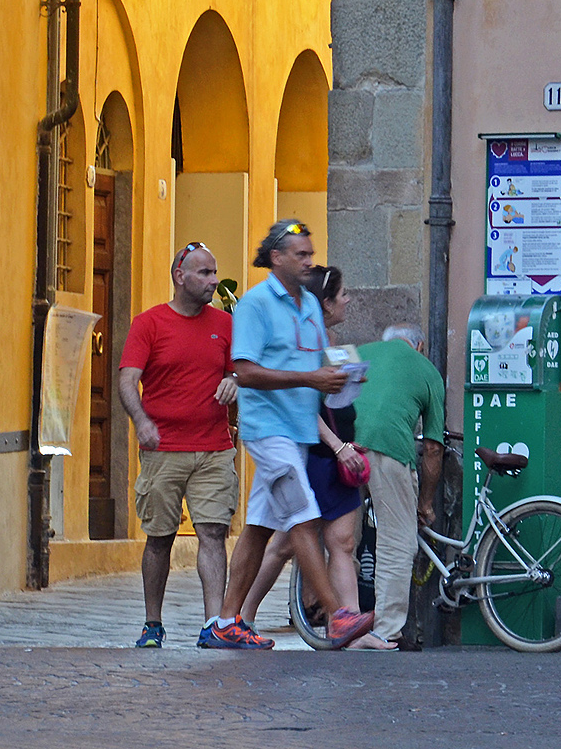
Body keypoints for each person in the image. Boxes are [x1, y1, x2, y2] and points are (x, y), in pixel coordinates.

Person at [206, 220, 374, 650]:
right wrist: (313, 378)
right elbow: (244, 372)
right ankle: (337, 615)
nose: (308, 261)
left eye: (310, 254)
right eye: (300, 255)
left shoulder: (310, 306)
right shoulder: (256, 305)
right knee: (302, 515)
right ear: (276, 257)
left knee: (260, 527)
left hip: (298, 432)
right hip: (270, 431)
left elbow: (319, 358)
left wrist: (345, 373)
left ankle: (227, 621)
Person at [238, 266, 392, 648]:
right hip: (313, 450)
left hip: (340, 451)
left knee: (341, 543)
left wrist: (351, 380)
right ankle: (242, 616)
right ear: (324, 302)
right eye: (342, 295)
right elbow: (302, 405)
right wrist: (337, 445)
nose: (348, 300)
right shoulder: (298, 338)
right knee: (285, 541)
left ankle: (353, 629)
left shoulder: (330, 339)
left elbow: (333, 399)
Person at [117, 241, 237, 649]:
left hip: (214, 448)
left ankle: (213, 625)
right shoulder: (149, 324)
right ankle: (153, 623)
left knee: (213, 533)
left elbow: (240, 373)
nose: (213, 280)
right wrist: (141, 421)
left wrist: (233, 382)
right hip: (163, 449)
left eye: (214, 272)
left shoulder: (225, 324)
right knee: (160, 537)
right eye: (204, 273)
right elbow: (127, 379)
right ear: (179, 276)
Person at [352, 324, 445, 649]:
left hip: (344, 447)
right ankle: (385, 630)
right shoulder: (426, 369)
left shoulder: (360, 353)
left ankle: (344, 625)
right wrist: (425, 503)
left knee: (342, 542)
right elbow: (433, 449)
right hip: (389, 451)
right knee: (397, 543)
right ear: (419, 347)